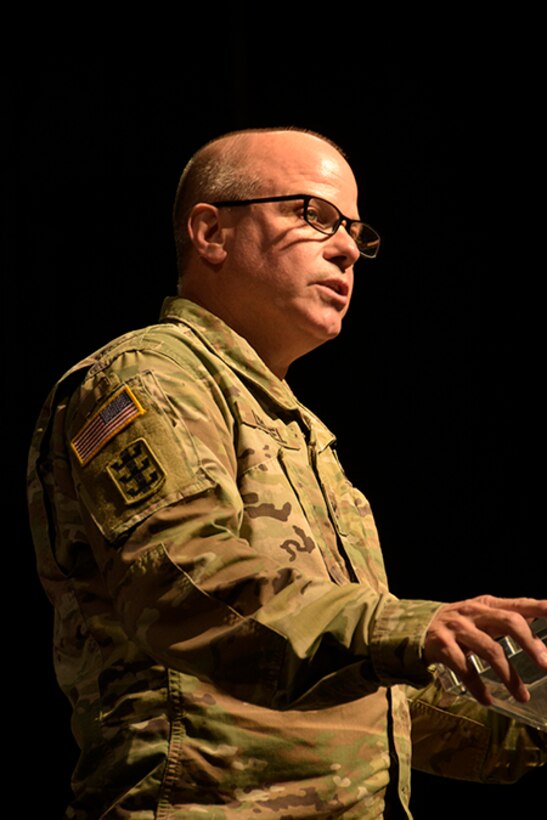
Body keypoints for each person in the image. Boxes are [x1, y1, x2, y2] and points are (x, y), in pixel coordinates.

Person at [28, 128, 546, 819]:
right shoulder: (144, 379)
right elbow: (187, 586)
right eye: (315, 216)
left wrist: (532, 708)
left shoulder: (297, 429)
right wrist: (408, 629)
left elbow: (364, 688)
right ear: (210, 232)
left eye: (357, 234)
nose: (344, 250)